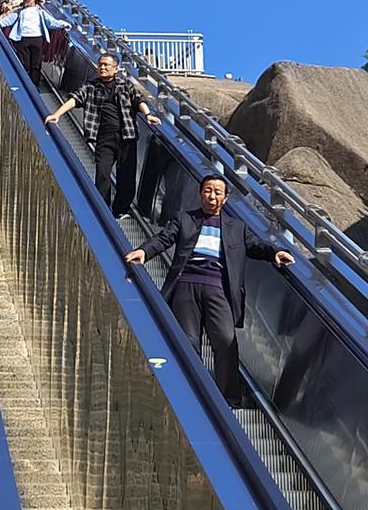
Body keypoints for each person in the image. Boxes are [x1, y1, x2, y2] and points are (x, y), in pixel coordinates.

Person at [123, 174, 295, 407]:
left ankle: (229, 398)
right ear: (200, 193)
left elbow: (256, 246)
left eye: (217, 192)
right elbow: (164, 238)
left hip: (219, 288)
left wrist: (276, 253)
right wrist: (144, 251)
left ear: (225, 198)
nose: (211, 196)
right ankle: (190, 392)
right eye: (207, 190)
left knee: (225, 340)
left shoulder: (237, 227)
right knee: (189, 341)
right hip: (187, 285)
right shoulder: (184, 219)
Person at [45, 52, 160, 220]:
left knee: (126, 175)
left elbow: (138, 100)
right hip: (104, 138)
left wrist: (148, 114)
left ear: (116, 68)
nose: (102, 67)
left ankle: (121, 210)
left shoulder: (124, 85)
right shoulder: (91, 87)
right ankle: (103, 210)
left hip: (126, 136)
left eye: (106, 65)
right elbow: (75, 99)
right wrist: (57, 114)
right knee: (103, 173)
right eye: (100, 64)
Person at [0, 0, 71, 87]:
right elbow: (9, 20)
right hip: (22, 39)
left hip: (37, 38)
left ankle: (34, 85)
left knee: (36, 64)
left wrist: (63, 24)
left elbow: (51, 22)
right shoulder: (20, 11)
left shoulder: (40, 12)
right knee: (24, 63)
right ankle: (24, 83)